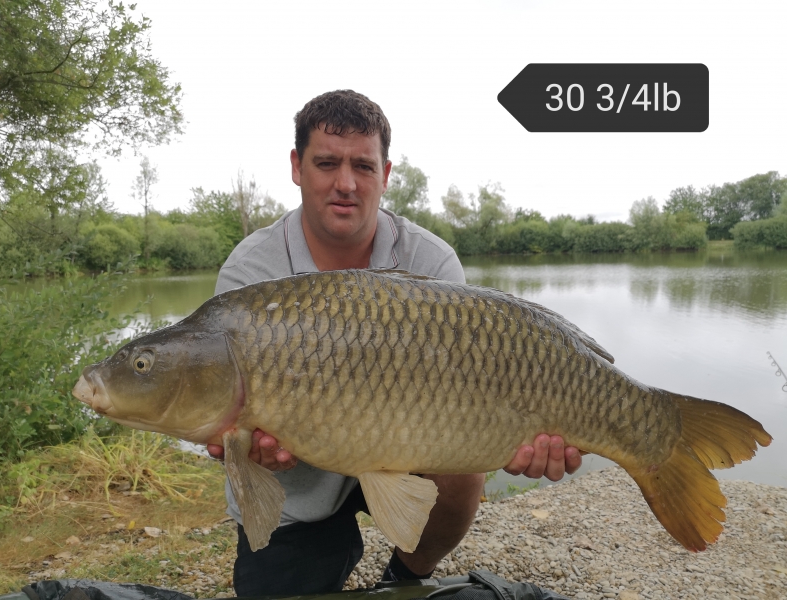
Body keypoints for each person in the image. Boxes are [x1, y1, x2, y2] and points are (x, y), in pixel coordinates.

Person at [208, 90, 582, 597]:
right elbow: (223, 426)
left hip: (405, 447)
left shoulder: (432, 262)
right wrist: (241, 446)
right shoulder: (251, 273)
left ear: (385, 174)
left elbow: (479, 387)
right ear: (297, 167)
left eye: (363, 166)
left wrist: (518, 433)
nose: (345, 183)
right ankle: (323, 544)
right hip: (300, 483)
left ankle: (408, 573)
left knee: (464, 465)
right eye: (326, 163)